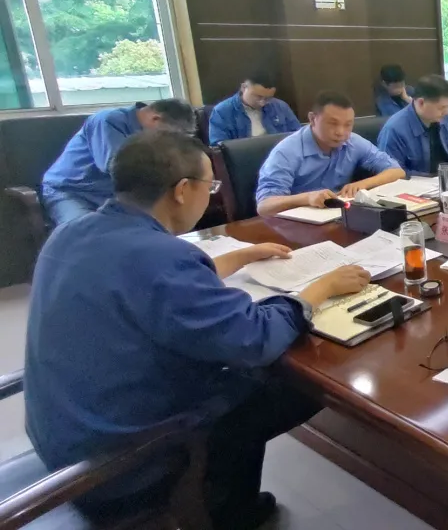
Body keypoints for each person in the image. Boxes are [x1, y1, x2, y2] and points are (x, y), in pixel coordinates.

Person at [24, 130, 372, 528]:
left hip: (64, 431)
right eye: (211, 185)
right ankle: (226, 510)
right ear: (182, 190)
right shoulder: (160, 257)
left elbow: (145, 282)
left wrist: (242, 256)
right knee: (291, 384)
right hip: (121, 458)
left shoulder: (72, 232)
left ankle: (227, 496)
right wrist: (321, 288)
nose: (210, 194)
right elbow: (254, 339)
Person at [41, 99, 196, 226]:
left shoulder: (152, 134)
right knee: (85, 230)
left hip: (110, 196)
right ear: (155, 119)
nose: (171, 141)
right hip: (71, 191)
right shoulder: (108, 121)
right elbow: (119, 169)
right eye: (170, 135)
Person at [255, 91, 405, 216]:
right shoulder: (286, 151)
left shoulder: (353, 142)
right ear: (312, 119)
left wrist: (362, 185)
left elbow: (397, 171)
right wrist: (307, 198)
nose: (341, 132)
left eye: (348, 125)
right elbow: (264, 206)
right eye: (333, 123)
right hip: (298, 222)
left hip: (337, 215)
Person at [377, 75, 448, 176]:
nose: (446, 112)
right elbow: (393, 173)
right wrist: (430, 178)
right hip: (421, 182)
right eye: (441, 107)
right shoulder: (394, 130)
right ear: (421, 103)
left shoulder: (446, 115)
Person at [208, 72, 301, 144]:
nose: (262, 102)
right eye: (258, 96)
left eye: (268, 98)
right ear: (243, 88)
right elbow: (219, 147)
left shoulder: (280, 106)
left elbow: (298, 136)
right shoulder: (222, 112)